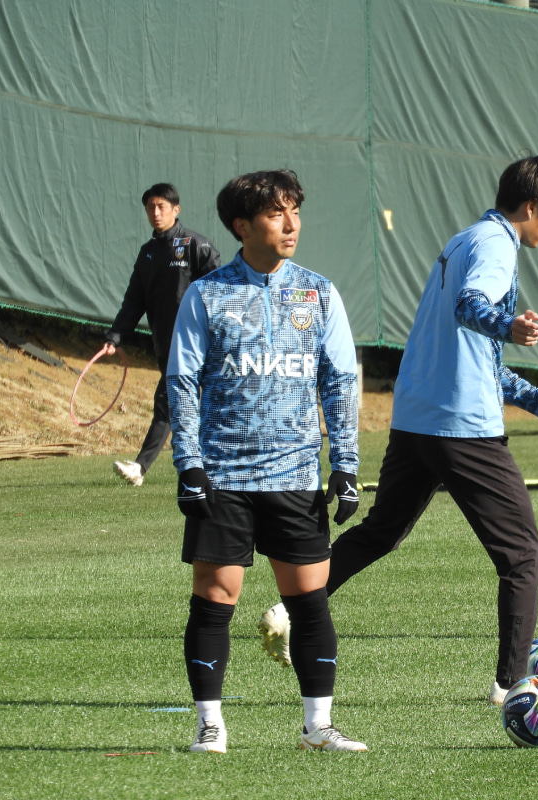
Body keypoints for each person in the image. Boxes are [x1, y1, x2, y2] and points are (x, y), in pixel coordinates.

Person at [324, 156, 538, 706]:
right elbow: (473, 308)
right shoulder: (497, 246)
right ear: (531, 207)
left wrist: (534, 398)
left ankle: (290, 608)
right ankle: (513, 686)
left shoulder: (464, 239)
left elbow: (475, 351)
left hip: (416, 418)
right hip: (461, 426)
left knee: (380, 532)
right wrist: (509, 325)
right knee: (522, 554)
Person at [167, 170, 366, 754]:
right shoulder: (206, 295)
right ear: (242, 225)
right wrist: (189, 465)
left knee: (310, 602)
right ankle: (210, 726)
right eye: (277, 214)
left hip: (295, 475)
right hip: (223, 476)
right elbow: (181, 381)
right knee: (215, 598)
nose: (291, 224)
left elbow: (340, 382)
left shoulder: (318, 293)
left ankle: (318, 727)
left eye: (294, 211)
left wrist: (345, 466)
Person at [105, 183, 221, 487]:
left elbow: (220, 292)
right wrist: (115, 337)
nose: (156, 213)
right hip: (166, 345)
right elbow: (134, 301)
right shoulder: (148, 254)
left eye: (162, 207)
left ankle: (141, 467)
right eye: (150, 208)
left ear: (175, 209)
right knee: (175, 404)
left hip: (199, 344)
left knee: (173, 402)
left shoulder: (196, 245)